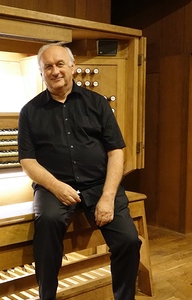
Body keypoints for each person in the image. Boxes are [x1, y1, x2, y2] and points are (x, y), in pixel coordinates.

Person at [17, 42, 142, 300]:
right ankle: (47, 296)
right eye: (48, 67)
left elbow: (116, 152)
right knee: (48, 222)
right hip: (54, 186)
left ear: (73, 66)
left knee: (129, 241)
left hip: (99, 184)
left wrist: (108, 196)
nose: (55, 71)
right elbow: (28, 161)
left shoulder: (97, 104)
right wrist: (56, 187)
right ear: (41, 73)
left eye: (60, 64)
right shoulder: (30, 112)